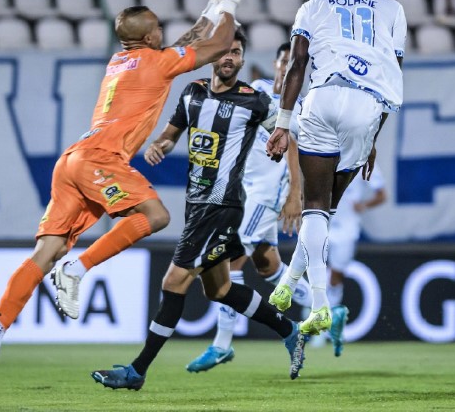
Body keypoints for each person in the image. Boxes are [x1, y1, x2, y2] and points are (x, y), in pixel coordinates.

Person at [0, 0, 245, 399]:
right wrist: (227, 5)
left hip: (73, 161)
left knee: (46, 251)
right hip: (101, 159)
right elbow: (217, 45)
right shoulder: (156, 61)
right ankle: (77, 269)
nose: (162, 32)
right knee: (156, 216)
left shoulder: (123, 60)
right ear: (148, 36)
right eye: (157, 27)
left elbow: (184, 42)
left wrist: (206, 10)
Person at [90, 30, 310, 391]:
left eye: (237, 53)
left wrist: (285, 161)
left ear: (241, 59)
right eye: (225, 52)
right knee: (220, 290)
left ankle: (137, 371)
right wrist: (159, 146)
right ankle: (291, 331)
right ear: (213, 58)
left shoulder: (254, 100)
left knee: (173, 282)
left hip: (221, 206)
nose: (230, 58)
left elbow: (286, 139)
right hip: (196, 205)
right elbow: (170, 133)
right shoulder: (192, 92)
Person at [185, 42, 348, 373]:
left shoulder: (302, 109)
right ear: (275, 64)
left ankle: (221, 344)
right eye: (284, 61)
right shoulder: (257, 91)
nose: (288, 68)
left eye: (294, 64)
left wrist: (294, 196)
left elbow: (295, 149)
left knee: (228, 258)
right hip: (242, 190)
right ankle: (328, 311)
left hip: (267, 193)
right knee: (267, 266)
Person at [266, 0, 406, 338]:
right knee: (325, 209)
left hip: (322, 98)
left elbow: (297, 64)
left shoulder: (313, 6)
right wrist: (374, 136)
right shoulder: (392, 8)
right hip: (367, 107)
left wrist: (282, 123)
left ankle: (315, 301)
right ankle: (295, 289)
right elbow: (394, 75)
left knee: (315, 207)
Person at [324, 170, 387, 356]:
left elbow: (382, 195)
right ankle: (318, 325)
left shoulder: (365, 159)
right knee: (314, 274)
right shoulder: (324, 152)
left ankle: (329, 326)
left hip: (346, 229)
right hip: (321, 222)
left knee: (336, 276)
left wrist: (364, 205)